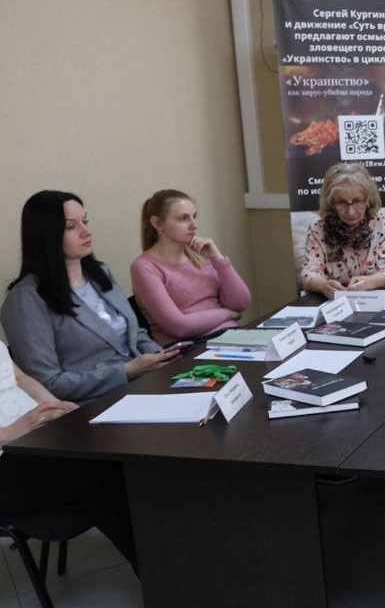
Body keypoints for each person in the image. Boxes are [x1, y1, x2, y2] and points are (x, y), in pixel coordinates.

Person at [1, 191, 178, 403]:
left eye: (85, 221)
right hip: (93, 403)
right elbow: (48, 383)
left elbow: (135, 333)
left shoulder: (100, 272)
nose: (87, 232)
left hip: (142, 383)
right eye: (71, 226)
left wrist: (161, 356)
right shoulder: (26, 298)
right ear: (45, 234)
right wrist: (126, 371)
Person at [0, 340, 138, 573]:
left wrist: (54, 405)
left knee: (108, 464)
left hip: (34, 443)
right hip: (8, 457)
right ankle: (165, 575)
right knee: (103, 465)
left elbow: (19, 378)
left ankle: (164, 572)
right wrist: (8, 433)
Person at [131, 189, 252, 346]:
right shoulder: (144, 267)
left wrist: (219, 260)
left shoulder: (200, 255)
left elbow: (241, 303)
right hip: (189, 346)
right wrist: (227, 314)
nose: (194, 225)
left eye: (194, 216)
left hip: (229, 334)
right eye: (183, 219)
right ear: (157, 223)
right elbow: (178, 327)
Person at [302, 162, 385, 299]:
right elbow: (309, 273)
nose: (350, 212)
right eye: (341, 203)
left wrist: (367, 282)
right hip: (334, 304)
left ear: (368, 200)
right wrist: (323, 285)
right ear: (331, 203)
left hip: (375, 301)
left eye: (357, 201)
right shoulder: (318, 230)